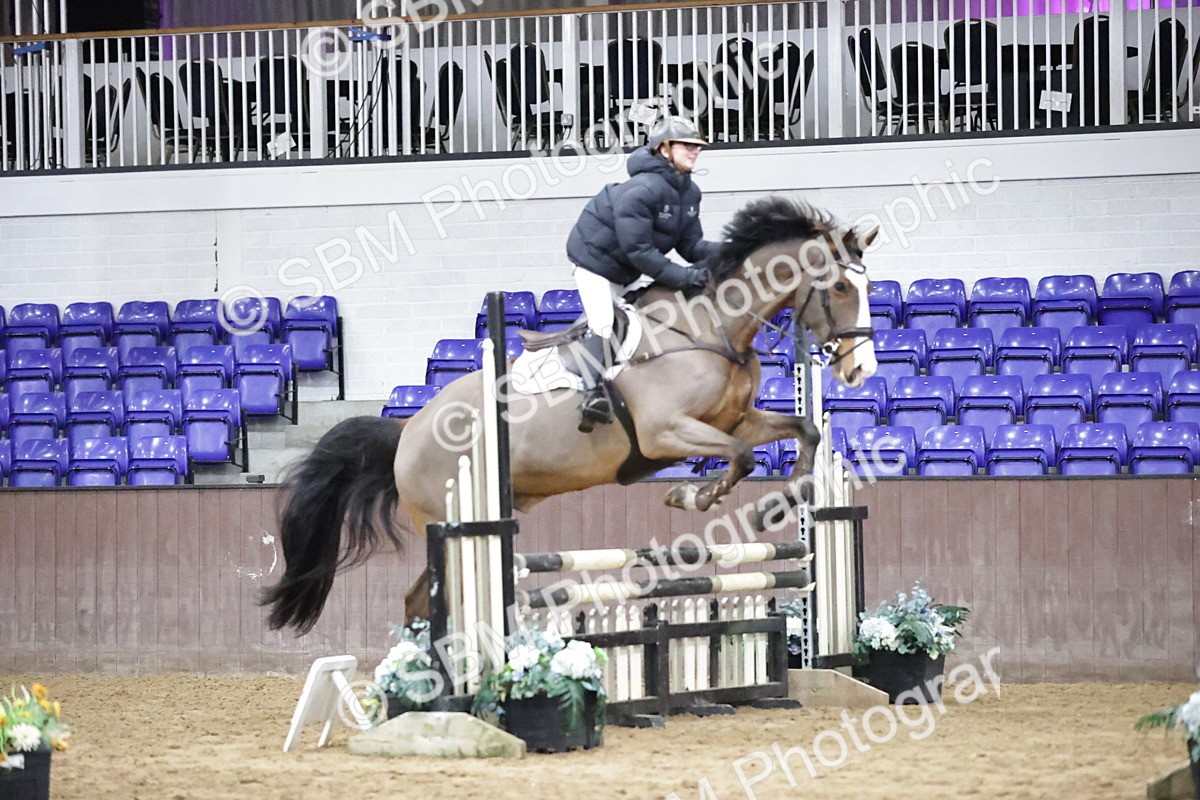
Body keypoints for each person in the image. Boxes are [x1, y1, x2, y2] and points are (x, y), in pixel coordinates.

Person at [565, 117, 719, 433]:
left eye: (698, 146)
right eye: (688, 145)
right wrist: (685, 277)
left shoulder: (689, 194)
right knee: (603, 323)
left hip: (628, 270)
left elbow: (691, 247)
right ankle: (590, 396)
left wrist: (731, 252)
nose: (696, 151)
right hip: (595, 266)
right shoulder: (640, 191)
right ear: (664, 149)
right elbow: (640, 251)